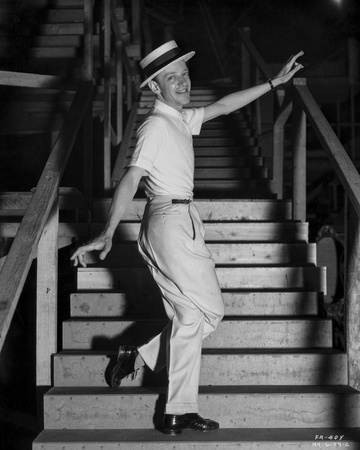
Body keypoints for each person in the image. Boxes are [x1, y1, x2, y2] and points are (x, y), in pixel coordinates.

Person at [71, 40, 304, 435]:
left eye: (184, 74)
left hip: (177, 220)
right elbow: (131, 176)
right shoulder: (156, 125)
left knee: (191, 317)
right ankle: (150, 369)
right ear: (156, 88)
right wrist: (107, 231)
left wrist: (272, 83)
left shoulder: (179, 119)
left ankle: (168, 400)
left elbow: (224, 106)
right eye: (171, 78)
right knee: (210, 309)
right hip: (169, 220)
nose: (182, 82)